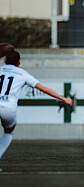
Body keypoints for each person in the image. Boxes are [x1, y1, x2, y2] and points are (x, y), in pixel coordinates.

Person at [0, 43, 73, 172]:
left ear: (5, 60)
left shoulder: (1, 69)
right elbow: (44, 89)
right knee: (9, 130)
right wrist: (63, 98)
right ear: (19, 62)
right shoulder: (22, 73)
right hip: (8, 108)